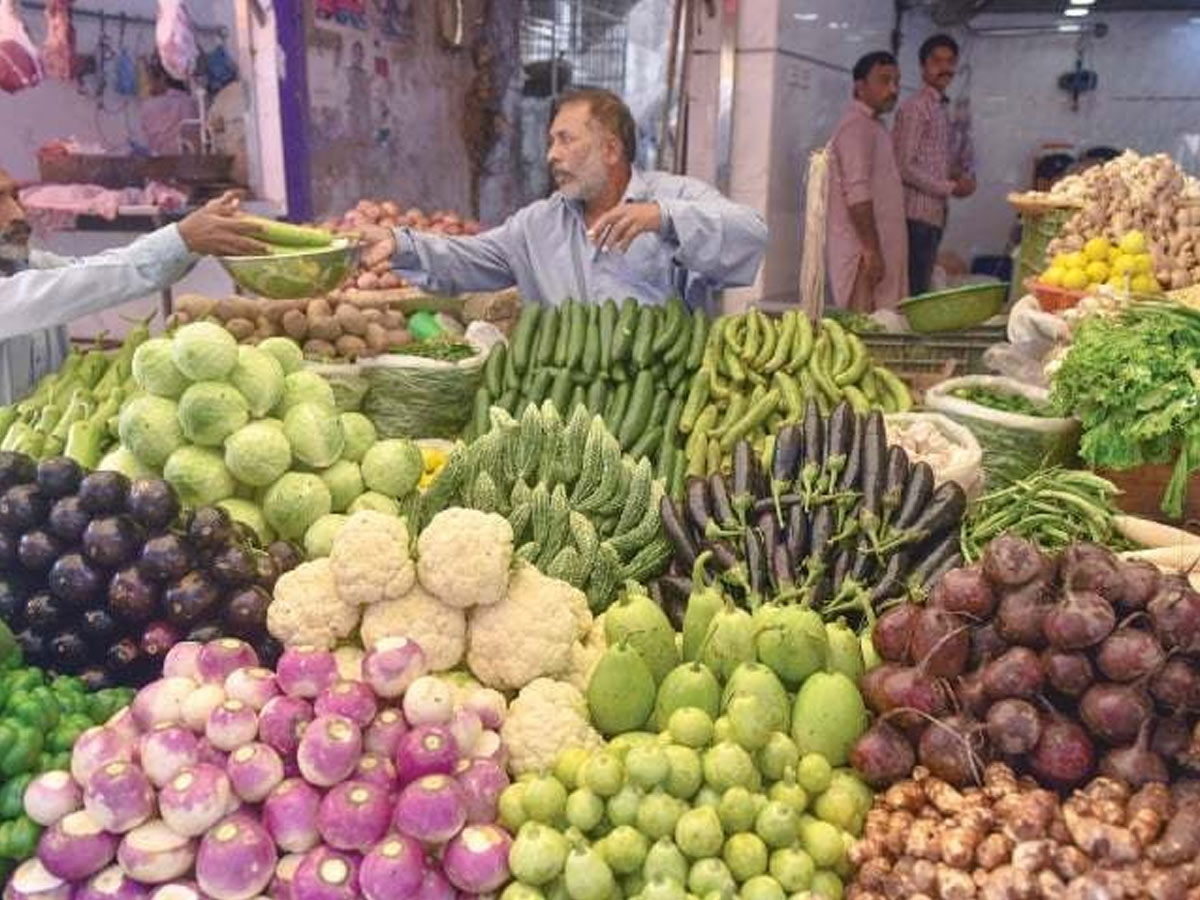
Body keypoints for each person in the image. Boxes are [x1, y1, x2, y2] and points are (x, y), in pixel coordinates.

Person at [358, 88, 768, 308]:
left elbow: (751, 234)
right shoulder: (538, 224)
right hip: (565, 405)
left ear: (611, 149)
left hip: (661, 404)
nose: (551, 155)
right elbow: (469, 257)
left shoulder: (673, 196)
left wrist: (664, 218)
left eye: (566, 140)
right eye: (550, 142)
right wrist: (400, 244)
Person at [0, 166, 266, 404]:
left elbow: (97, 271)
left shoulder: (34, 265)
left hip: (39, 439)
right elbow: (64, 290)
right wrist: (181, 239)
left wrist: (189, 243)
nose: (17, 213)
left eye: (15, 196)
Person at [892, 34, 976, 296]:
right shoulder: (917, 107)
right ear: (923, 66)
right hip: (914, 215)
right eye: (937, 61)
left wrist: (959, 176)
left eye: (950, 62)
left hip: (934, 214)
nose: (944, 68)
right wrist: (950, 187)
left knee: (921, 285)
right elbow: (903, 166)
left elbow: (932, 161)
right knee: (913, 289)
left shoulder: (940, 107)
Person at [826, 51, 908, 313]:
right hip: (863, 255)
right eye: (884, 81)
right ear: (860, 87)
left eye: (896, 81)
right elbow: (857, 195)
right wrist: (872, 250)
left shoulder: (874, 126)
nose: (893, 89)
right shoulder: (855, 128)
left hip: (878, 251)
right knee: (864, 328)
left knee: (883, 323)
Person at [140, 54, 200, 155]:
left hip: (162, 161)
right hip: (192, 159)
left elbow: (151, 138)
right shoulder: (191, 102)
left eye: (151, 80)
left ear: (162, 78)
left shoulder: (149, 106)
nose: (150, 85)